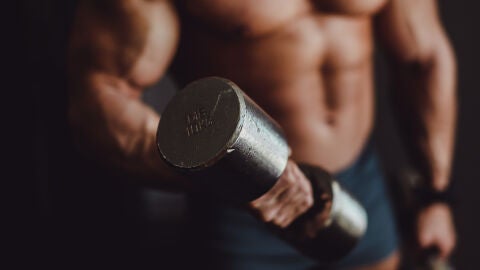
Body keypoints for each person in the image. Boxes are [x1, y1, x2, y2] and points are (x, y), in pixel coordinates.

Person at [67, 0, 457, 269]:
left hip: (360, 182)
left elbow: (423, 58)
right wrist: (228, 177)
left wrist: (435, 195)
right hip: (243, 210)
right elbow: (99, 96)